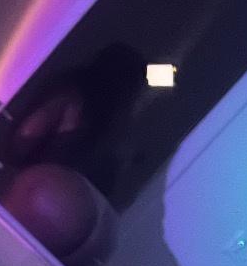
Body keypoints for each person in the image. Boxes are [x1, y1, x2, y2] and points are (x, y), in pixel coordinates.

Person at [8, 43, 147, 199]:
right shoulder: (71, 97)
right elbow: (25, 137)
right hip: (38, 194)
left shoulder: (111, 122)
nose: (133, 97)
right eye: (132, 87)